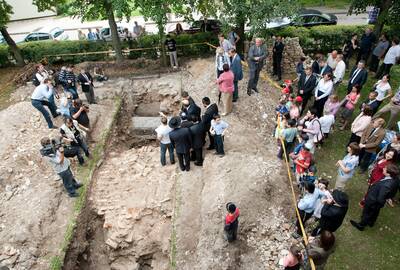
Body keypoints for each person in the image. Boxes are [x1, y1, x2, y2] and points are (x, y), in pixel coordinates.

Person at [351, 163, 400, 231]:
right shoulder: (396, 179)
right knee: (375, 212)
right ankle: (371, 222)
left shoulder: (386, 186)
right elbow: (393, 192)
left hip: (372, 201)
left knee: (367, 213)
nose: (383, 169)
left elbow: (380, 199)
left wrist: (375, 204)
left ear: (388, 174)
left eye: (385, 169)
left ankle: (361, 225)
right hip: (376, 202)